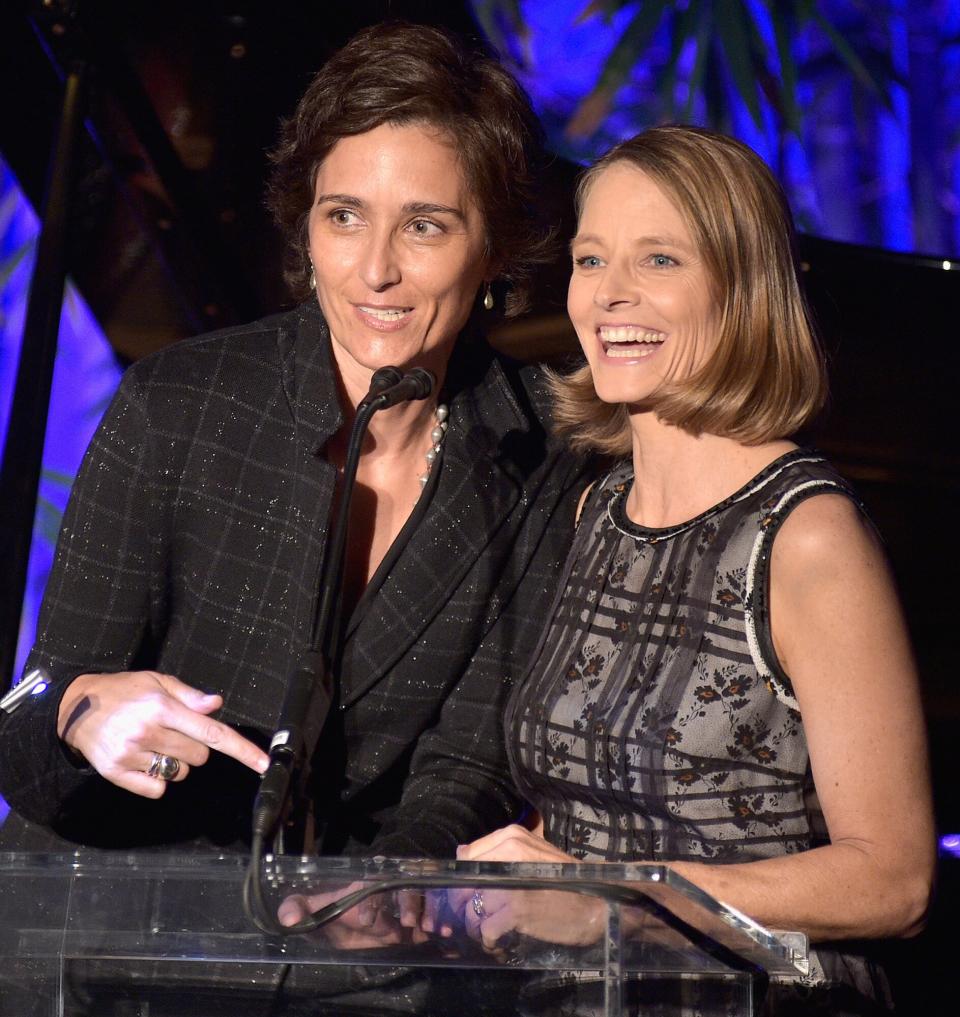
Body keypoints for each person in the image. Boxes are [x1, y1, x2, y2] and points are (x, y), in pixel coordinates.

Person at [0, 22, 585, 865]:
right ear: (306, 227)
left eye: (425, 226)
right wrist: (82, 713)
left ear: (492, 248)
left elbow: (472, 767)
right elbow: (29, 715)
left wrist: (363, 900)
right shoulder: (179, 404)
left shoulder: (542, 448)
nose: (374, 269)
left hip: (357, 940)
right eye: (345, 216)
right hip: (109, 930)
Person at [453, 126, 935, 1013]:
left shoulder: (806, 534)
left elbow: (896, 883)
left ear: (742, 292)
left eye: (660, 259)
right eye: (591, 258)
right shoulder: (597, 508)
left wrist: (618, 896)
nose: (610, 295)